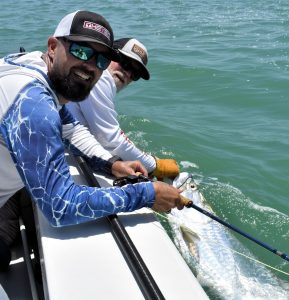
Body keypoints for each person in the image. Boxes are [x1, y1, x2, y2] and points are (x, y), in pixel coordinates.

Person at [0, 10, 185, 270]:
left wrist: (111, 165)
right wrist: (146, 193)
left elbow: (71, 130)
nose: (90, 66)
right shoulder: (34, 104)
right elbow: (60, 207)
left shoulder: (31, 65)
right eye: (82, 51)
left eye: (101, 60)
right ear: (53, 46)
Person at [67, 37, 180, 178]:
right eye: (125, 63)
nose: (128, 74)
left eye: (135, 74)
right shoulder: (101, 78)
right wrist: (154, 165)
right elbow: (112, 140)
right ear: (110, 55)